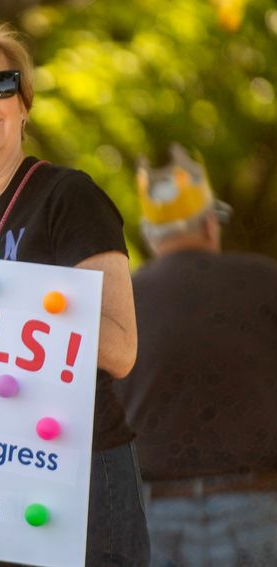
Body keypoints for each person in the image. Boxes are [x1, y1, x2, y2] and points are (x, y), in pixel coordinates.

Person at [0, 23, 149, 566]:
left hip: (81, 477)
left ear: (23, 106)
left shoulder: (69, 197)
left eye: (1, 83)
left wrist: (2, 285)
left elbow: (119, 348)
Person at [113, 144, 277, 566]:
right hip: (259, 507)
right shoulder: (266, 281)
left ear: (150, 236)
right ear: (210, 225)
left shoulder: (120, 301)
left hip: (153, 514)